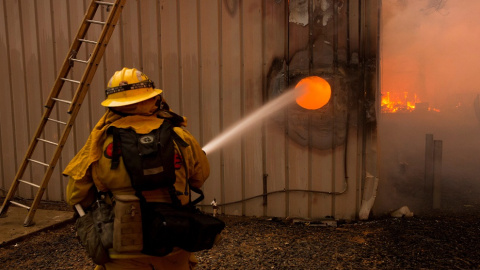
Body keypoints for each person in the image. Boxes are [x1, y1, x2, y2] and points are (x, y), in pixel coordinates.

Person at [63, 67, 210, 270]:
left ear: (114, 106)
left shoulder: (99, 142)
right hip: (174, 241)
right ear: (153, 98)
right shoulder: (180, 136)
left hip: (122, 245)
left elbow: (76, 195)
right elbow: (199, 178)